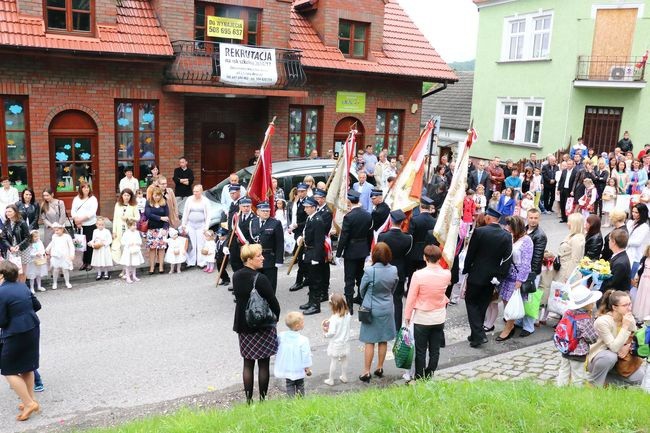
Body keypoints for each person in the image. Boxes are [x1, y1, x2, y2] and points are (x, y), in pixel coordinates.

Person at [233, 244, 281, 403]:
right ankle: (262, 399)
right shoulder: (261, 279)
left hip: (243, 324)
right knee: (263, 364)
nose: (263, 258)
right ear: (249, 259)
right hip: (262, 324)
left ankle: (248, 401)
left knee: (247, 363)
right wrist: (276, 318)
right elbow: (273, 302)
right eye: (259, 256)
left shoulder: (236, 275)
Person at [463, 208, 513, 348]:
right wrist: (500, 275)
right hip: (492, 277)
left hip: (476, 274)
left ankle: (479, 335)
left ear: (489, 218)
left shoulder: (480, 232)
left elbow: (470, 254)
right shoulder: (506, 235)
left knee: (471, 302)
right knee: (482, 305)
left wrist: (466, 270)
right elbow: (507, 259)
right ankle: (475, 335)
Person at [0, 260, 41, 421]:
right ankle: (31, 400)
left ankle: (29, 403)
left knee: (8, 370)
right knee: (26, 366)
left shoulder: (1, 292)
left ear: (2, 275)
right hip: (32, 327)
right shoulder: (21, 285)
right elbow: (36, 305)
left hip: (15, 333)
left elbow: (2, 321)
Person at [404, 244, 451, 380]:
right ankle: (430, 373)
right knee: (435, 349)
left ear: (425, 257)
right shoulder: (446, 274)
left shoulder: (418, 275)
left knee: (420, 350)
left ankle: (419, 376)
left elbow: (411, 298)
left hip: (422, 318)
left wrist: (407, 315)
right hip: (439, 317)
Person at [358, 242, 398, 382]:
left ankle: (366, 371)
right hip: (387, 307)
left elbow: (362, 290)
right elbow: (394, 287)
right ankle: (380, 367)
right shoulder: (393, 270)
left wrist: (368, 298)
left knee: (369, 341)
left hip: (371, 308)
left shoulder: (370, 271)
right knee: (383, 339)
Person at [587, 290, 645, 386]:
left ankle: (606, 382)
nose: (629, 308)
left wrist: (628, 345)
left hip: (620, 361)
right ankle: (594, 384)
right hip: (601, 359)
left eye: (630, 304)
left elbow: (635, 337)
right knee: (610, 357)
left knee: (639, 377)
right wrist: (625, 326)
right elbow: (614, 348)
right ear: (614, 307)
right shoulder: (602, 321)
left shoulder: (629, 318)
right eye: (625, 305)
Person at [494, 216, 533, 341]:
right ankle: (510, 324)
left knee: (511, 302)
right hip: (507, 274)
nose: (507, 228)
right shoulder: (511, 237)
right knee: (505, 300)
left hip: (516, 277)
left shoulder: (527, 241)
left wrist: (520, 280)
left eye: (509, 226)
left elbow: (526, 263)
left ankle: (509, 327)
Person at [555, 286, 601, 386]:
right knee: (578, 374)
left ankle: (560, 388)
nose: (593, 304)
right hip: (578, 352)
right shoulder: (585, 319)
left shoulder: (568, 312)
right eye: (591, 302)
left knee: (563, 370)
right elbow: (592, 338)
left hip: (566, 347)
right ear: (586, 304)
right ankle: (576, 392)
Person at [336, 190, 372, 313]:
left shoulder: (349, 217)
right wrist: (368, 250)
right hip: (362, 250)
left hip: (351, 251)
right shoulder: (367, 215)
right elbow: (369, 234)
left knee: (349, 279)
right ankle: (362, 300)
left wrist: (338, 254)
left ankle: (350, 306)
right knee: (360, 276)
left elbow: (344, 237)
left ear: (350, 201)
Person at [378, 209, 413, 331]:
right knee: (397, 300)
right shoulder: (408, 238)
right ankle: (397, 326)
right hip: (400, 270)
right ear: (403, 222)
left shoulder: (383, 236)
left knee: (383, 298)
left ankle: (383, 325)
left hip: (385, 270)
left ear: (391, 220)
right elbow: (407, 255)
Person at [273, 311, 312, 398]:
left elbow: (277, 345)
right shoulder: (303, 340)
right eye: (302, 322)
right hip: (299, 367)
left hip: (287, 366)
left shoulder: (282, 336)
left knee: (289, 384)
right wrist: (307, 368)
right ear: (297, 326)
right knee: (300, 384)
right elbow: (306, 355)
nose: (304, 323)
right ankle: (301, 401)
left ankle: (291, 401)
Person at [298, 197, 326, 315]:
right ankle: (311, 302)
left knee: (316, 281)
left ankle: (316, 305)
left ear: (313, 207)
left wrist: (316, 258)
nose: (305, 209)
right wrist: (301, 238)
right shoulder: (311, 218)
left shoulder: (317, 220)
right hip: (309, 251)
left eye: (307, 207)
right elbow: (307, 234)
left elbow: (319, 241)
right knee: (310, 279)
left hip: (314, 253)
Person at [250, 201, 284, 293]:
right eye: (263, 211)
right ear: (258, 212)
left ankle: (270, 303)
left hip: (270, 257)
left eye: (267, 211)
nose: (266, 213)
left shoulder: (275, 223)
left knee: (270, 284)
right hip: (256, 257)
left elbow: (280, 243)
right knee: (257, 283)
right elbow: (251, 241)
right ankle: (259, 303)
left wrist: (279, 260)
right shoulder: (253, 222)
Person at [406, 197, 437, 289]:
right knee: (424, 274)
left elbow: (410, 235)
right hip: (428, 251)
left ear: (420, 206)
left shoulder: (415, 219)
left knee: (412, 274)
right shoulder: (434, 221)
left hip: (414, 250)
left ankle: (410, 290)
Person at [524, 208, 547, 327]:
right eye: (531, 218)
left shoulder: (540, 235)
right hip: (523, 271)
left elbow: (537, 257)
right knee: (523, 298)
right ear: (527, 218)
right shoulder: (525, 229)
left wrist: (531, 274)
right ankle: (520, 321)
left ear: (539, 218)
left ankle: (529, 326)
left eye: (535, 218)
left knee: (531, 299)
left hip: (532, 273)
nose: (533, 220)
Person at [322, 293, 351, 386]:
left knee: (333, 361)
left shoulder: (335, 318)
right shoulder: (347, 314)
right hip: (345, 342)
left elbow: (332, 332)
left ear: (333, 306)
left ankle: (331, 379)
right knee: (344, 360)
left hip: (336, 343)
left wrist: (325, 334)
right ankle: (344, 376)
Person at [180, 184, 211, 268]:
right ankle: (191, 261)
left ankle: (201, 262)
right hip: (190, 225)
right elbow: (185, 212)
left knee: (200, 244)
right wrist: (183, 224)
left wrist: (206, 227)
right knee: (192, 244)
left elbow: (208, 215)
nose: (195, 193)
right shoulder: (189, 199)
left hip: (201, 225)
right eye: (194, 191)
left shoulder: (205, 201)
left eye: (197, 191)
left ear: (201, 191)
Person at [71, 181, 98, 271]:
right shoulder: (76, 199)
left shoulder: (93, 199)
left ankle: (90, 262)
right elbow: (73, 211)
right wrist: (76, 220)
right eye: (84, 187)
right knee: (82, 245)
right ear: (81, 189)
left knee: (89, 244)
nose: (86, 189)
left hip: (90, 224)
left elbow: (92, 212)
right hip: (79, 225)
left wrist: (80, 220)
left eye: (87, 187)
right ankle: (84, 262)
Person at [144, 187, 170, 274]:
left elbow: (167, 217)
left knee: (161, 249)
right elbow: (148, 214)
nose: (157, 197)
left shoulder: (164, 203)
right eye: (156, 195)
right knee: (152, 249)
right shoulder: (148, 202)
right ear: (152, 195)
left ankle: (161, 266)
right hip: (151, 229)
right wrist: (160, 218)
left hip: (161, 229)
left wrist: (165, 228)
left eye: (159, 196)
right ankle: (151, 267)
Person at [554, 213, 586, 283]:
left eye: (569, 222)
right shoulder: (572, 235)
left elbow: (575, 260)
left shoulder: (577, 239)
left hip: (567, 272)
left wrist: (568, 277)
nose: (567, 223)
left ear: (574, 224)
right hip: (564, 269)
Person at [2, 204, 31, 281]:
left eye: (10, 211)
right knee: (13, 272)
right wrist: (10, 247)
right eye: (6, 212)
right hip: (11, 250)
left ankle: (22, 288)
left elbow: (28, 237)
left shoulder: (22, 223)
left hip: (22, 250)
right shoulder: (6, 223)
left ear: (15, 212)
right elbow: (3, 238)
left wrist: (19, 246)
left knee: (23, 272)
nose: (7, 213)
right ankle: (16, 289)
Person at [288, 183, 309, 291]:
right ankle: (306, 278)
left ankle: (299, 281)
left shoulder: (308, 202)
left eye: (302, 191)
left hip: (304, 233)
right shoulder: (297, 202)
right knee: (300, 258)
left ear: (306, 191)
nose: (300, 193)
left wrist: (297, 225)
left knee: (301, 258)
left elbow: (308, 220)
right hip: (297, 233)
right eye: (299, 191)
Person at [111, 189, 139, 264]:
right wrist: (114, 231)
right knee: (119, 248)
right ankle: (123, 268)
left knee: (128, 248)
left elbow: (137, 218)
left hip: (129, 229)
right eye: (125, 195)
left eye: (128, 195)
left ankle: (128, 269)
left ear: (131, 196)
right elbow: (115, 218)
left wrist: (128, 217)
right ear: (122, 196)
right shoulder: (117, 204)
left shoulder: (134, 205)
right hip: (119, 229)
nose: (126, 197)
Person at [600, 228, 631, 293]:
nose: (608, 242)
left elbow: (611, 283)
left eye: (609, 240)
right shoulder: (618, 255)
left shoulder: (620, 263)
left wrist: (599, 281)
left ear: (613, 242)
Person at [45, 222, 74, 289]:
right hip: (56, 256)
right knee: (55, 270)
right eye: (55, 230)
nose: (56, 232)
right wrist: (47, 249)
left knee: (65, 270)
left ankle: (67, 282)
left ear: (62, 229)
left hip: (65, 256)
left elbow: (71, 246)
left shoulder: (67, 237)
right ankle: (54, 283)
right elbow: (52, 243)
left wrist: (72, 254)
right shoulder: (54, 236)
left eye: (57, 230)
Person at [626, 203, 650, 278]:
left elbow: (638, 242)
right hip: (625, 252)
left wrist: (624, 242)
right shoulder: (630, 222)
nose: (634, 214)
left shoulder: (644, 227)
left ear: (642, 213)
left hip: (635, 256)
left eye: (636, 212)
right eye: (633, 211)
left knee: (630, 278)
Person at [119, 219, 144, 284]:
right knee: (128, 264)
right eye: (133, 225)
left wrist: (137, 243)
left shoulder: (137, 232)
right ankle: (128, 277)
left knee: (134, 263)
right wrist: (129, 243)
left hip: (135, 249)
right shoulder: (126, 233)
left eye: (135, 225)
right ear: (129, 226)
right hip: (128, 250)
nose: (135, 227)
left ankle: (134, 276)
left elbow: (140, 241)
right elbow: (122, 241)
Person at [88, 216, 113, 281]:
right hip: (97, 249)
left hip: (104, 248)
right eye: (99, 225)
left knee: (104, 261)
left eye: (102, 225)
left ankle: (106, 273)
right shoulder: (95, 231)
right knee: (98, 261)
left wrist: (103, 244)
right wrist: (92, 243)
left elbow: (110, 240)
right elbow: (93, 239)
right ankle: (99, 273)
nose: (100, 226)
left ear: (104, 225)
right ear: (96, 225)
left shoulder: (107, 231)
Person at [633, 244, 650, 322]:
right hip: (643, 280)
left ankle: (646, 316)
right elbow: (640, 270)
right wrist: (637, 279)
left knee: (647, 298)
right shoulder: (644, 259)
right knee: (641, 296)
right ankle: (639, 314)